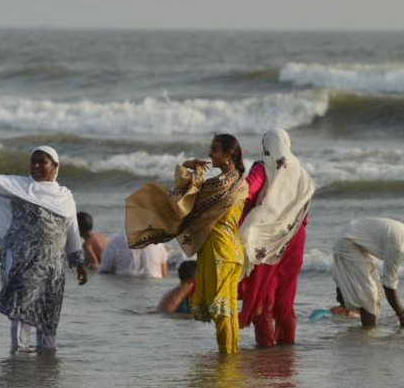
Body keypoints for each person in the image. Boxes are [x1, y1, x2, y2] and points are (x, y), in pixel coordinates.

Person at [126, 134, 248, 354]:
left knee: (222, 312)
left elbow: (186, 203)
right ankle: (231, 359)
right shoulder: (241, 182)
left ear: (230, 154)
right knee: (228, 309)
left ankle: (226, 360)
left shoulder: (221, 184)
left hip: (218, 251)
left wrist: (188, 170)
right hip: (233, 251)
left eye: (215, 150)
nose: (211, 154)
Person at [0, 144, 87, 353]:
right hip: (22, 262)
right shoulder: (19, 187)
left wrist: (79, 263)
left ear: (55, 166)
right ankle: (18, 358)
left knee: (48, 315)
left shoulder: (65, 197)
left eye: (42, 162)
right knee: (22, 312)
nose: (36, 166)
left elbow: (72, 230)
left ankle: (47, 362)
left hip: (53, 268)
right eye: (33, 161)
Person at [237, 128, 315, 347]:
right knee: (286, 296)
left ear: (266, 146)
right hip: (295, 237)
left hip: (267, 237)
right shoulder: (301, 173)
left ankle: (265, 348)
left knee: (263, 295)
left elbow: (247, 192)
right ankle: (286, 346)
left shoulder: (264, 166)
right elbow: (304, 214)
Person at [329, 217, 404, 328]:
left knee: (376, 295)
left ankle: (365, 327)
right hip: (348, 241)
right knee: (370, 297)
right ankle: (367, 339)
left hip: (359, 242)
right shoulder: (399, 246)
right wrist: (402, 316)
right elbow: (389, 286)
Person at [98, 233, 168, 278]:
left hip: (124, 291)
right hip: (153, 291)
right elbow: (164, 274)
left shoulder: (115, 242)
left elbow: (104, 271)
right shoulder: (158, 244)